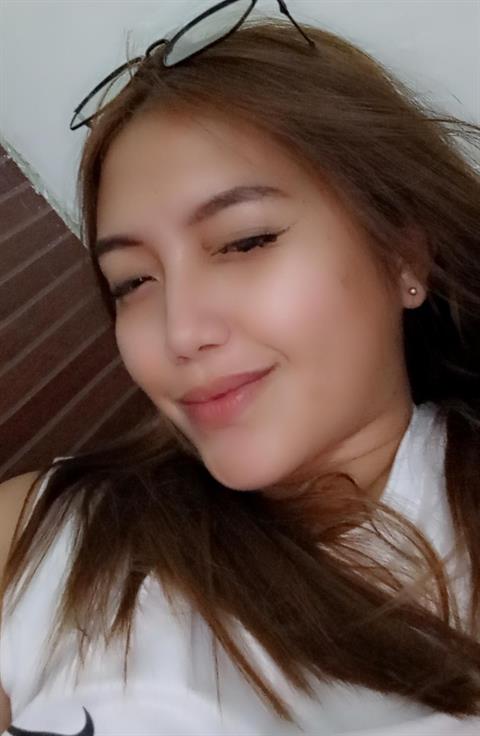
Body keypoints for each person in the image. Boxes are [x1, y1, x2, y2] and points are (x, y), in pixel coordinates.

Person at [1, 3, 480, 734]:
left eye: (244, 242)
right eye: (133, 282)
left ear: (402, 256)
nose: (181, 332)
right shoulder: (40, 533)